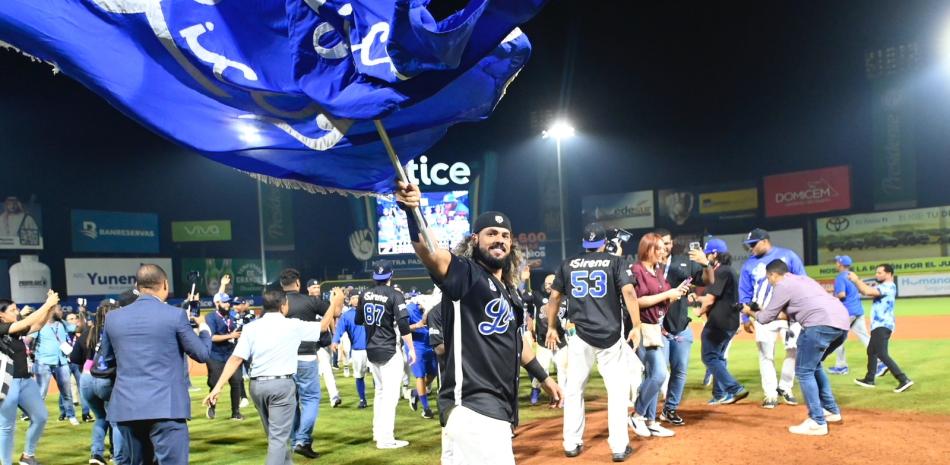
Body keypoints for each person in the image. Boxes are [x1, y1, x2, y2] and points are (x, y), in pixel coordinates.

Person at [395, 181, 562, 465]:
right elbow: (432, 253)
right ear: (475, 240)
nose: (499, 239)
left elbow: (517, 344)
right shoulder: (466, 275)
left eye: (505, 235)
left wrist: (544, 378)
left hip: (492, 408)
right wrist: (414, 212)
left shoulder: (510, 292)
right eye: (491, 233)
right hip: (473, 405)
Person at [204, 288, 345, 465]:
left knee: (276, 437)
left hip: (257, 387)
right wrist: (333, 303)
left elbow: (235, 359)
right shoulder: (292, 324)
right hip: (281, 386)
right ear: (283, 305)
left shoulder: (251, 327)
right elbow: (324, 326)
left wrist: (217, 387)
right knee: (278, 440)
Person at [97, 264, 212, 465]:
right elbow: (202, 353)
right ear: (165, 285)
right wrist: (204, 329)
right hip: (166, 407)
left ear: (137, 286)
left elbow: (105, 360)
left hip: (127, 407)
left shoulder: (113, 317)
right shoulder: (174, 315)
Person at [547, 223, 642, 461]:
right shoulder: (615, 261)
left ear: (584, 243)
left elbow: (554, 297)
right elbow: (629, 293)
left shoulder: (568, 264)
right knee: (617, 392)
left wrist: (550, 327)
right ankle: (619, 447)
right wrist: (637, 325)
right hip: (610, 338)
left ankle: (571, 443)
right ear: (603, 243)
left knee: (574, 390)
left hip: (580, 337)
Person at [745, 260, 850, 435]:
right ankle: (831, 411)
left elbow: (764, 318)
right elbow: (788, 313)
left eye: (768, 278)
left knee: (804, 371)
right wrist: (763, 312)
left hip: (818, 325)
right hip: (842, 324)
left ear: (772, 274)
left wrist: (748, 311)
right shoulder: (803, 280)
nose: (769, 282)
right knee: (814, 366)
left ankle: (817, 421)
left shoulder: (781, 285)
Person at [628, 233, 688, 440]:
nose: (663, 251)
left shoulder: (658, 270)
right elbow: (636, 301)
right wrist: (666, 295)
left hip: (655, 328)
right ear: (648, 249)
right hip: (642, 328)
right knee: (659, 374)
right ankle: (637, 414)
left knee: (654, 375)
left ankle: (651, 421)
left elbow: (661, 303)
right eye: (659, 248)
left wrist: (674, 294)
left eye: (664, 247)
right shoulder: (637, 270)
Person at [738, 228, 805, 408]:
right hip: (763, 315)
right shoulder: (748, 265)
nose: (751, 248)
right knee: (765, 354)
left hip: (788, 315)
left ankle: (785, 387)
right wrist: (744, 318)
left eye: (754, 244)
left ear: (765, 241)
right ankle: (770, 394)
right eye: (749, 245)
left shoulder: (788, 256)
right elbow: (744, 293)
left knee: (793, 350)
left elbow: (802, 281)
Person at [357, 262, 416, 448]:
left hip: (371, 349)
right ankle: (386, 439)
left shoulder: (364, 294)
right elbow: (404, 325)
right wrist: (411, 348)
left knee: (380, 393)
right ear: (391, 275)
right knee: (390, 397)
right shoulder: (395, 295)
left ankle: (377, 432)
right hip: (389, 349)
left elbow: (359, 319)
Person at [280, 269, 334, 459]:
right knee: (310, 399)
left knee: (292, 403)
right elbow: (330, 310)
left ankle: (297, 442)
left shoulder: (278, 304)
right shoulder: (309, 301)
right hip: (306, 356)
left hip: (284, 358)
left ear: (282, 285)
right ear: (298, 284)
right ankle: (302, 440)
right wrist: (336, 300)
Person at [0, 291, 58, 465]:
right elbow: (25, 322)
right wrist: (47, 304)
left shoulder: (14, 330)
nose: (16, 312)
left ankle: (28, 455)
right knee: (6, 427)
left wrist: (51, 308)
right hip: (6, 383)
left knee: (40, 417)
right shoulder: (2, 327)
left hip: (25, 381)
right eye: (12, 310)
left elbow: (37, 325)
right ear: (1, 314)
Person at [655, 230, 705, 427]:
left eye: (667, 243)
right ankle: (645, 411)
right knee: (657, 372)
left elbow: (707, 280)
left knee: (679, 371)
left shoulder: (683, 262)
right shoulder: (647, 266)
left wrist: (706, 263)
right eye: (661, 244)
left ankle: (670, 409)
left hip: (680, 326)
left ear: (672, 243)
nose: (665, 247)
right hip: (657, 327)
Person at [693, 238, 749, 405]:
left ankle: (734, 388)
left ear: (715, 254)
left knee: (709, 357)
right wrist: (698, 297)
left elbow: (710, 300)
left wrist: (699, 310)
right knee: (718, 357)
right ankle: (720, 394)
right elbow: (719, 296)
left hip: (719, 322)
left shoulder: (721, 271)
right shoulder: (729, 270)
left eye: (708, 253)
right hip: (730, 321)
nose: (707, 256)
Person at [850, 264, 914, 392]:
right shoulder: (886, 286)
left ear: (889, 274)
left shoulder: (888, 286)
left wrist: (856, 280)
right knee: (871, 351)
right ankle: (869, 379)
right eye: (876, 272)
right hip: (879, 325)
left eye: (880, 273)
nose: (876, 275)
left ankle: (903, 379)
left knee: (881, 353)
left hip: (883, 325)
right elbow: (867, 290)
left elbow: (867, 291)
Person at [80, 299, 125, 465]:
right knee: (117, 420)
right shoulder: (117, 331)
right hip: (105, 378)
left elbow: (74, 357)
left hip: (86, 377)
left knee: (101, 417)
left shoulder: (89, 332)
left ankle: (96, 454)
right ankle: (119, 458)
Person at [31, 303, 79, 425]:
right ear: (51, 310)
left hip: (61, 361)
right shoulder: (40, 324)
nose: (61, 312)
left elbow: (78, 328)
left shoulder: (62, 323)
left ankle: (71, 415)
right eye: (59, 310)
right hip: (44, 362)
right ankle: (36, 418)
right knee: (41, 392)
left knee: (66, 391)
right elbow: (29, 339)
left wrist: (82, 311)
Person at [527, 274, 568, 406]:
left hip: (560, 341)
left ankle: (561, 396)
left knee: (563, 369)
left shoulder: (566, 298)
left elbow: (572, 317)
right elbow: (525, 295)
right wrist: (526, 280)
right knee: (542, 369)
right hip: (543, 342)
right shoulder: (539, 297)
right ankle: (535, 389)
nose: (547, 285)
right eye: (546, 283)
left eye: (550, 283)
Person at [204, 289, 244, 421]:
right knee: (215, 383)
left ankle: (236, 412)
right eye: (225, 302)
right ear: (217, 303)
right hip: (215, 355)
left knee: (237, 381)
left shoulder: (232, 317)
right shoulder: (210, 317)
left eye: (228, 302)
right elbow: (212, 337)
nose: (228, 305)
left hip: (230, 353)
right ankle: (212, 407)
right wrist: (231, 335)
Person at [827, 256, 871, 375]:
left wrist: (830, 298)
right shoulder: (853, 275)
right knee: (865, 337)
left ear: (840, 264)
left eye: (837, 262)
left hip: (847, 312)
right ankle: (880, 361)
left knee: (837, 339)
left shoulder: (841, 277)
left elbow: (841, 295)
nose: (836, 263)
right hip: (858, 310)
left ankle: (841, 367)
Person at [307, 279, 342, 408]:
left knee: (327, 369)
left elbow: (331, 317)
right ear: (308, 289)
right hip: (308, 343)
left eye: (318, 287)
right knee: (309, 373)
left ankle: (334, 395)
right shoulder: (306, 303)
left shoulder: (323, 303)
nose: (317, 289)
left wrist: (333, 335)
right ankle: (308, 398)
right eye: (314, 287)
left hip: (322, 342)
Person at [405, 289, 439, 419]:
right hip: (415, 345)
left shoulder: (432, 306)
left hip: (429, 343)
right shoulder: (409, 309)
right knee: (420, 375)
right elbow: (401, 328)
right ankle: (426, 409)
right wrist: (417, 325)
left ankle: (415, 393)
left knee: (433, 373)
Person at [332, 295, 369, 409]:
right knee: (359, 376)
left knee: (378, 375)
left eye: (357, 297)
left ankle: (380, 397)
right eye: (353, 297)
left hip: (373, 348)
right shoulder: (347, 315)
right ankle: (362, 399)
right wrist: (335, 341)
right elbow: (339, 330)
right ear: (350, 300)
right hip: (358, 350)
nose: (355, 300)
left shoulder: (370, 310)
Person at [66, 311, 93, 423]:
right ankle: (65, 413)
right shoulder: (64, 332)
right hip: (66, 362)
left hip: (79, 364)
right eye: (70, 319)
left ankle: (85, 414)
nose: (74, 321)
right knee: (65, 390)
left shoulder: (85, 335)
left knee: (82, 389)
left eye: (75, 319)